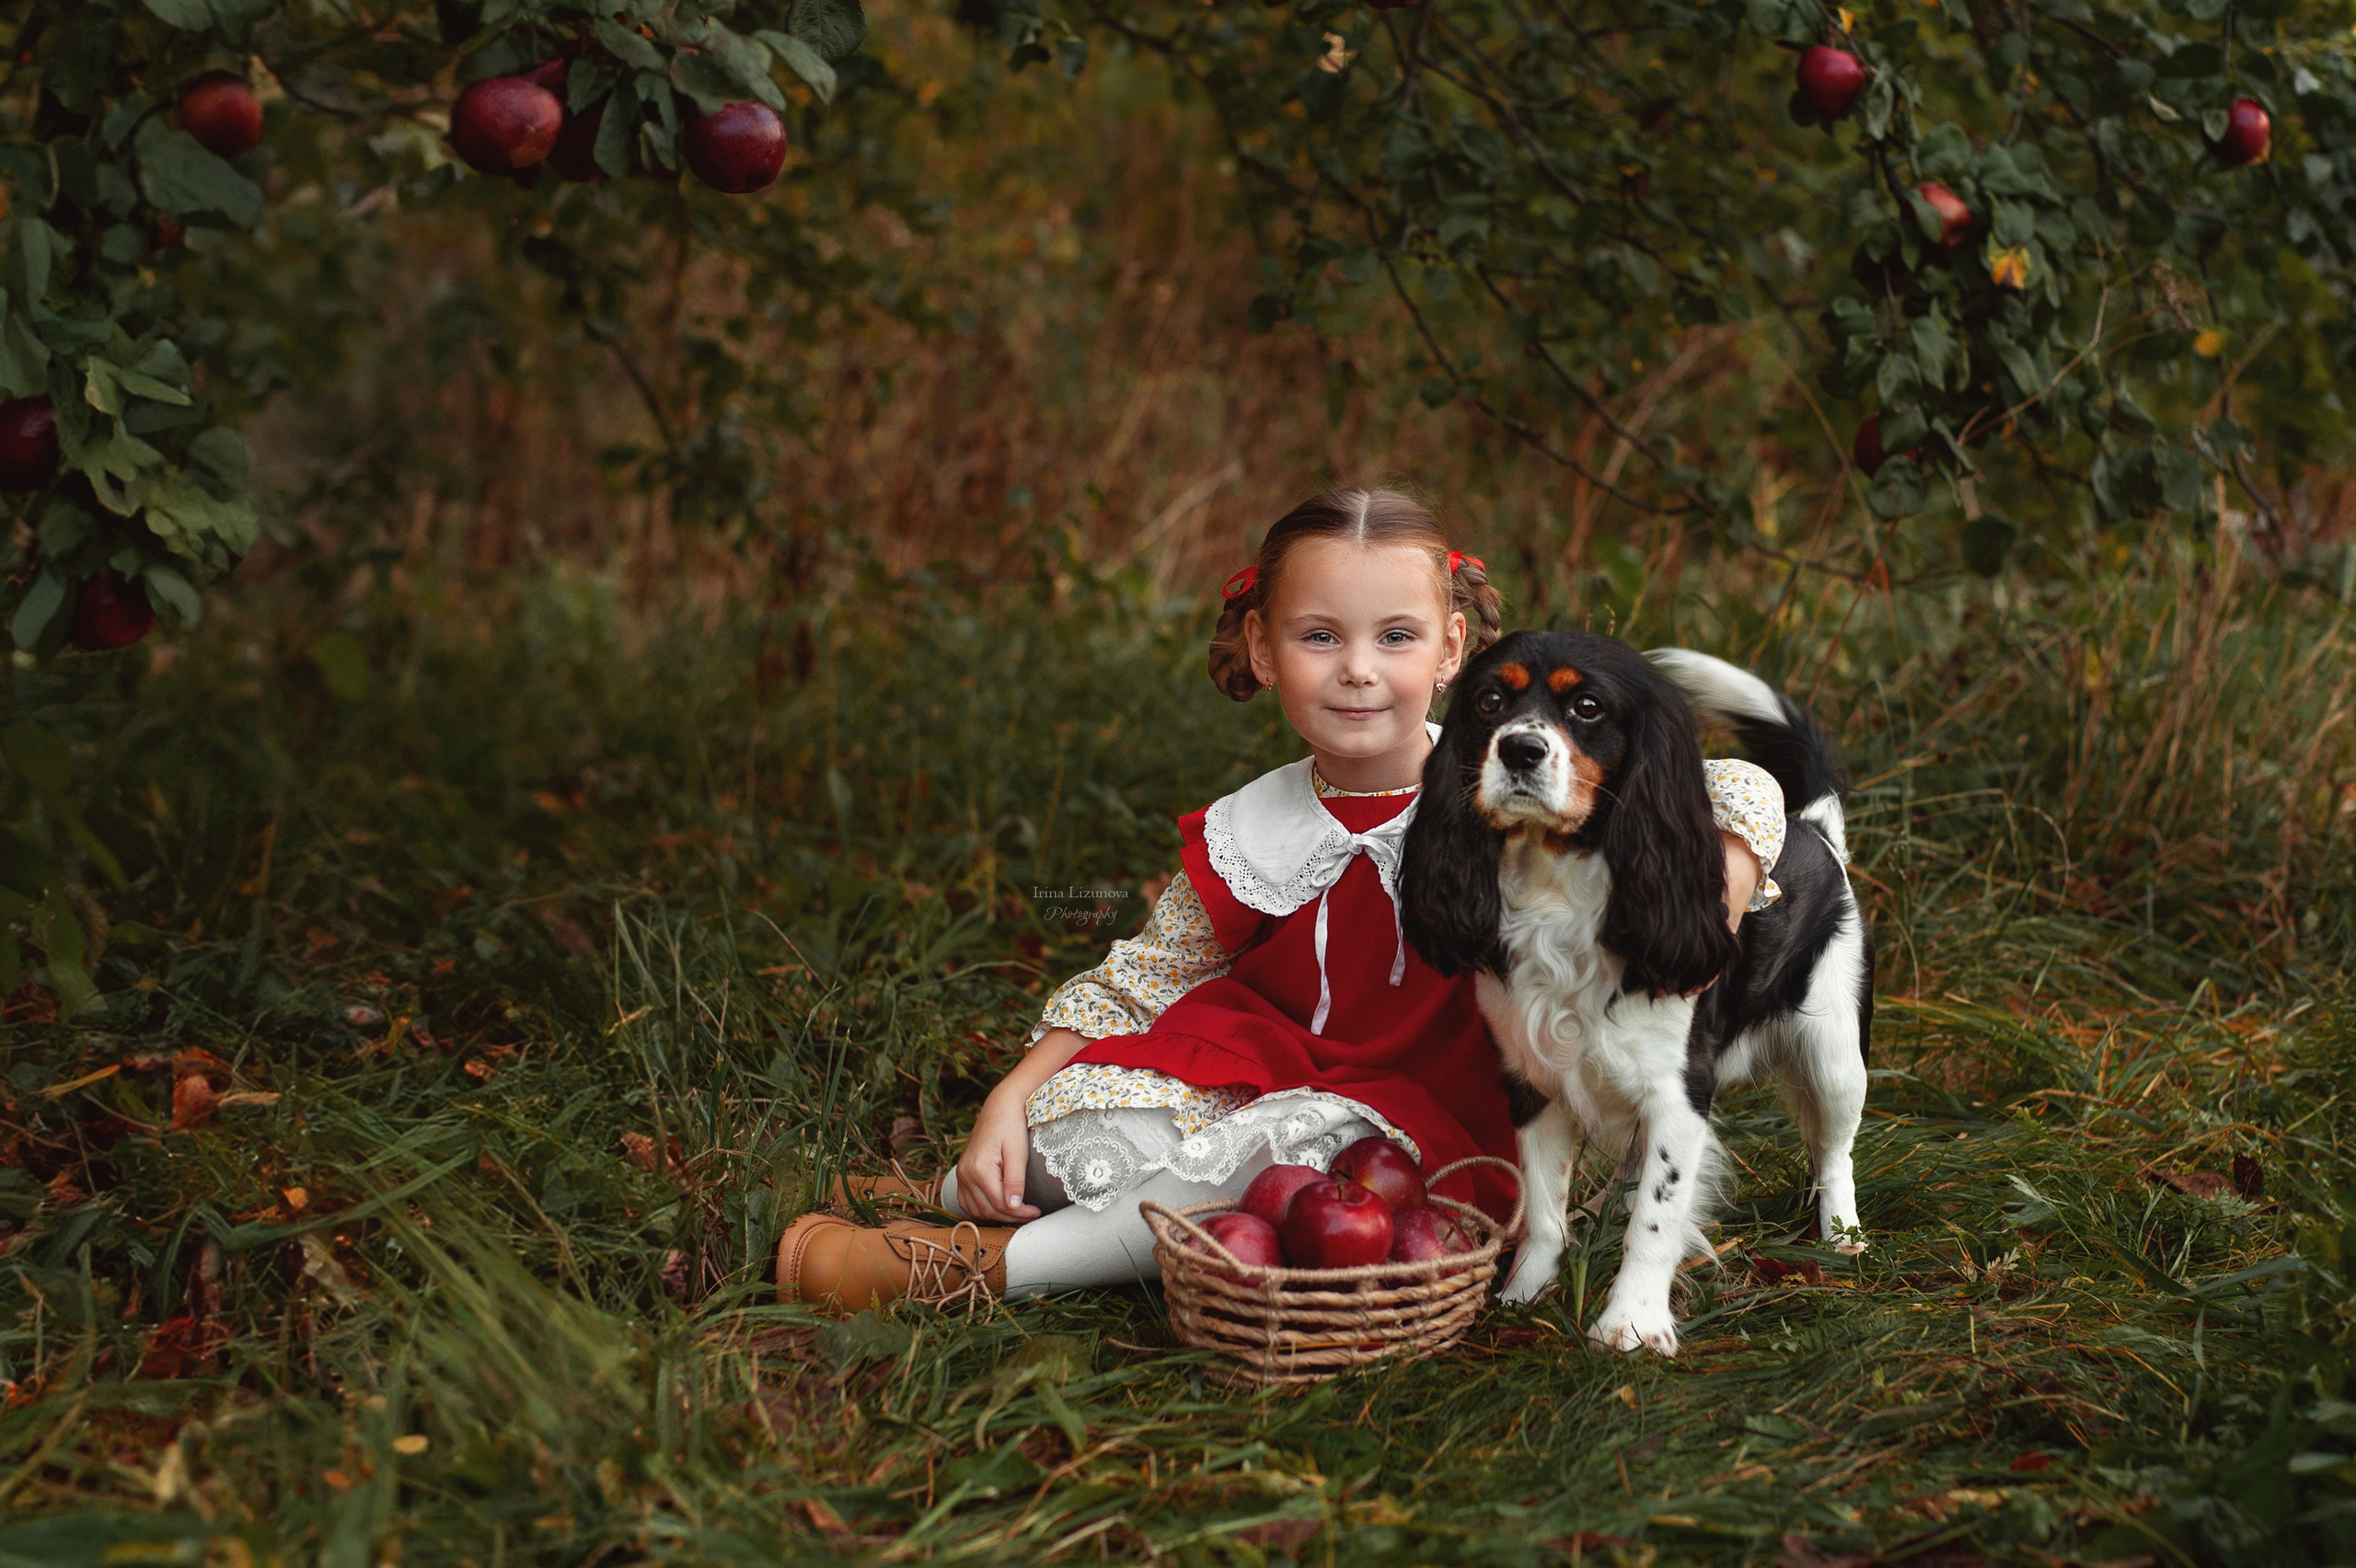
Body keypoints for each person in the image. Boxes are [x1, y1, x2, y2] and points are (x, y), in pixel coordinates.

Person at [776, 488, 1786, 1311]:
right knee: (1071, 1136)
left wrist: (1715, 896)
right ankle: (960, 1194)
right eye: (1318, 637)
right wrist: (1007, 1095)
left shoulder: (1505, 788)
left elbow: (1742, 787)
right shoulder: (1246, 826)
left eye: (1395, 637)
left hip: (1426, 1120)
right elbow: (1142, 978)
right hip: (1255, 1077)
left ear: (1449, 655)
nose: (1356, 670)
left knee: (1272, 1177)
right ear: (1262, 651)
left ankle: (970, 1270)